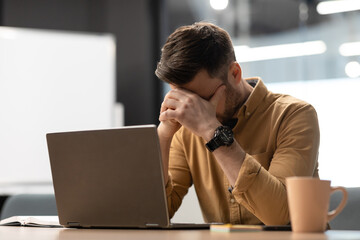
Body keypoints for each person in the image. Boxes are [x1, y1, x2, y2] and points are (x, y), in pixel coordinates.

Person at [155, 22, 320, 225]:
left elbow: (278, 215)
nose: (192, 109)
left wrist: (211, 131)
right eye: (182, 97)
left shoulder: (294, 115)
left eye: (201, 99)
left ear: (235, 74)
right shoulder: (184, 129)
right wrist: (163, 136)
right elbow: (155, 214)